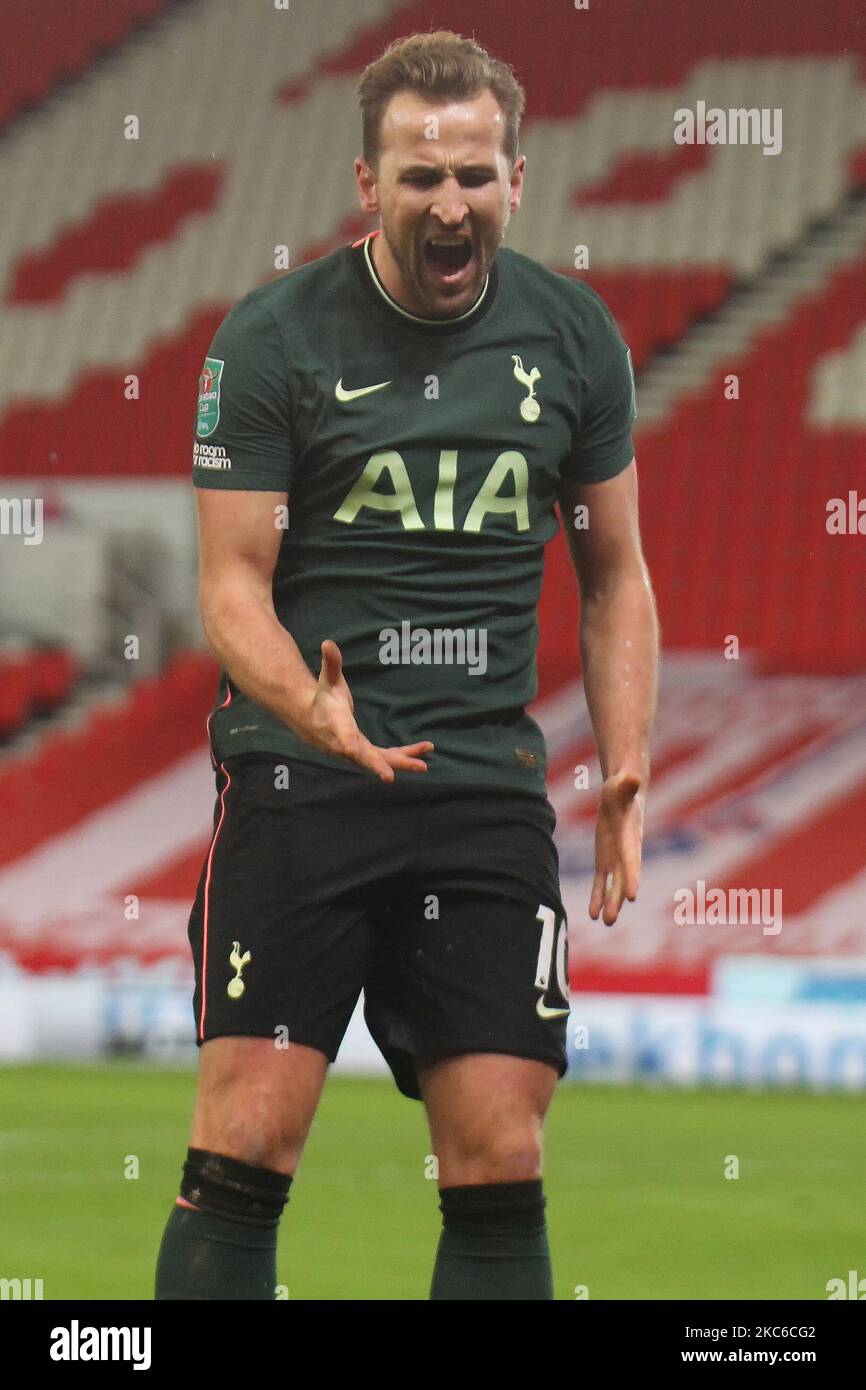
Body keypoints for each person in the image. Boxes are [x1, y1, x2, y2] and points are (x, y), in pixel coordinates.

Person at [155, 29, 659, 1302]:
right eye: (421, 176)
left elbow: (613, 576)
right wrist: (308, 704)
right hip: (296, 784)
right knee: (250, 1137)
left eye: (474, 177)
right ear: (369, 184)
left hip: (484, 789)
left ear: (515, 182)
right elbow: (228, 588)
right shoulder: (272, 340)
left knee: (498, 1146)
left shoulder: (574, 337)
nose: (451, 202)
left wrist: (628, 762)